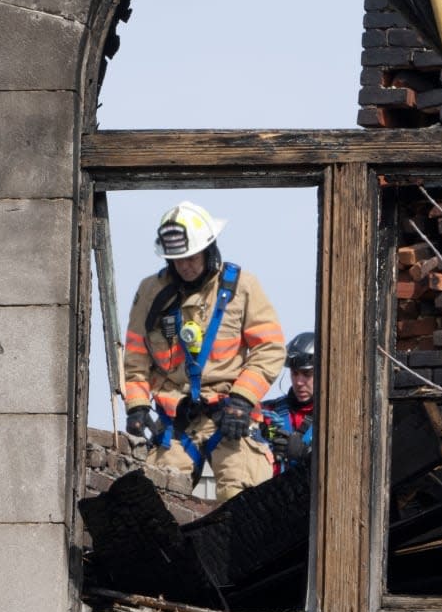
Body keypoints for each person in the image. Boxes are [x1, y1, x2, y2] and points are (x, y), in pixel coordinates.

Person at [123, 201, 286, 501]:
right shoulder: (151, 292)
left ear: (209, 248)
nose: (184, 266)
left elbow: (271, 348)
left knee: (244, 494)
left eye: (191, 257)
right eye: (177, 259)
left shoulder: (242, 287)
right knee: (153, 500)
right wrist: (137, 406)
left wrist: (242, 399)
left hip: (230, 416)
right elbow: (135, 358)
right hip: (176, 421)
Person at [261, 331, 315, 475]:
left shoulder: (334, 419)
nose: (299, 382)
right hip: (272, 494)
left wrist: (307, 453)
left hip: (314, 495)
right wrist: (265, 435)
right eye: (295, 373)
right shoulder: (269, 411)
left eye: (307, 374)